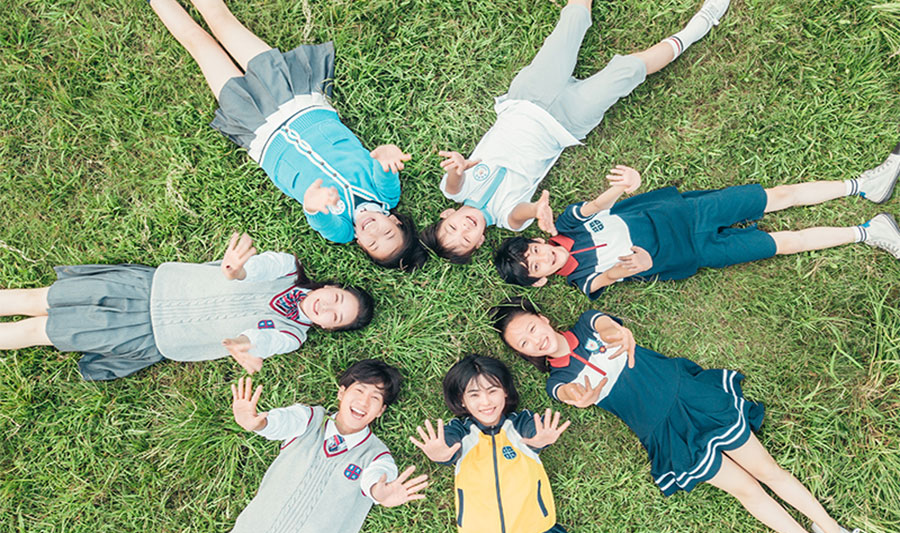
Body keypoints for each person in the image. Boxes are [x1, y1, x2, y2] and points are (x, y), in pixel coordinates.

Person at [490, 298, 879, 533]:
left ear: (543, 319)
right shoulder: (558, 381)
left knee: (768, 471)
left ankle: (833, 530)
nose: (534, 340)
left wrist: (618, 334)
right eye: (524, 343)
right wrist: (582, 396)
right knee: (747, 490)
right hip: (666, 432)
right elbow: (572, 394)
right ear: (524, 354)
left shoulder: (588, 323)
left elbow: (609, 328)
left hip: (693, 398)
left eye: (531, 328)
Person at [421, 0, 731, 263]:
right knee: (628, 71)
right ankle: (702, 23)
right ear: (479, 243)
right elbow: (521, 213)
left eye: (453, 228)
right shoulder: (507, 217)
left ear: (447, 214)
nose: (465, 228)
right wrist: (538, 209)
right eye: (466, 239)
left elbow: (454, 181)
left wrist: (458, 167)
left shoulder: (455, 190)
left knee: (571, 23)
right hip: (565, 123)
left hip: (526, 99)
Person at [141, 361, 428, 533]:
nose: (364, 402)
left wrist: (382, 493)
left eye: (375, 398)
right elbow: (281, 423)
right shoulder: (309, 419)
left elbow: (376, 481)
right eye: (359, 390)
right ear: (342, 392)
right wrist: (257, 422)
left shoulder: (376, 456)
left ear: (381, 410)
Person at [150, 0, 426, 271]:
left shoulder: (342, 231)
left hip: (260, 130)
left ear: (361, 245)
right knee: (222, 21)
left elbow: (319, 218)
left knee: (199, 45)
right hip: (298, 100)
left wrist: (314, 205)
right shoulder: (386, 196)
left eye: (373, 244)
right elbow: (383, 165)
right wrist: (387, 154)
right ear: (396, 221)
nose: (374, 232)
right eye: (387, 233)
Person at [494, 152, 900, 297]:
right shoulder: (581, 280)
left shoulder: (567, 224)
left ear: (536, 240)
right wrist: (630, 267)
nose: (543, 256)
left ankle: (864, 185)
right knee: (784, 242)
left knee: (779, 195)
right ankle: (868, 232)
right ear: (540, 280)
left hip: (688, 213)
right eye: (536, 266)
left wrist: (624, 185)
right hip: (695, 251)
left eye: (534, 250)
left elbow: (599, 205)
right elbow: (607, 278)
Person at [410, 355, 613, 533]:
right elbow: (447, 448)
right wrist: (439, 453)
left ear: (505, 391)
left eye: (492, 390)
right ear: (462, 401)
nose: (486, 401)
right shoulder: (461, 432)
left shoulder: (520, 424)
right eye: (474, 394)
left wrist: (539, 441)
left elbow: (532, 435)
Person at [0, 233, 372, 380]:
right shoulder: (288, 268)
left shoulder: (293, 336)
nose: (328, 308)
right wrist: (237, 271)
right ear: (330, 286)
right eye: (337, 299)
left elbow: (265, 339)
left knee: (40, 330)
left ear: (329, 328)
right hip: (150, 288)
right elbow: (258, 269)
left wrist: (244, 345)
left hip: (151, 334)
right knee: (39, 298)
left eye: (336, 318)